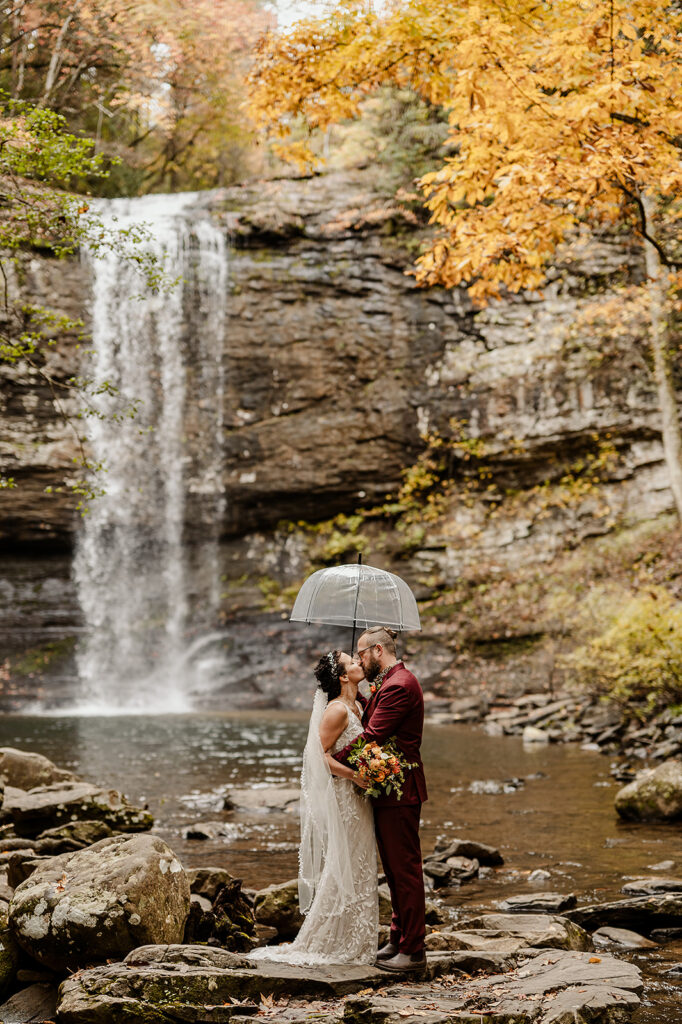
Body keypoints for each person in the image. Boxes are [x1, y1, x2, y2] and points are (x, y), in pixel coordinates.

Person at [249, 650, 379, 966]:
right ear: (343, 677)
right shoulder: (336, 711)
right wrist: (354, 776)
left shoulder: (358, 705)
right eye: (353, 662)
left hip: (358, 797)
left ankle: (357, 937)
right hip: (345, 797)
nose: (360, 662)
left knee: (360, 863)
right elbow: (317, 757)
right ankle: (329, 939)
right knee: (344, 863)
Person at [334, 626, 427, 974]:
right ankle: (398, 938)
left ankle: (414, 952)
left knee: (405, 871)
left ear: (376, 650)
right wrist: (356, 696)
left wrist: (328, 761)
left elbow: (372, 735)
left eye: (360, 653)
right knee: (392, 867)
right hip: (388, 788)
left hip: (402, 789)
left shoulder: (401, 685)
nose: (358, 659)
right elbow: (373, 714)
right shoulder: (389, 682)